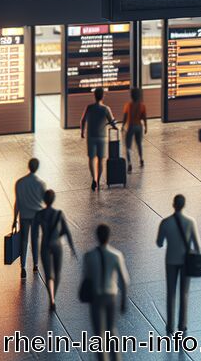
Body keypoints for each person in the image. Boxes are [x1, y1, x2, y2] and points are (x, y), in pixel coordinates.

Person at [82, 224, 129, 361]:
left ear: (96, 236)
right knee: (111, 329)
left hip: (96, 298)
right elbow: (124, 281)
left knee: (99, 335)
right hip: (111, 297)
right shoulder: (116, 255)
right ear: (109, 237)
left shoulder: (89, 256)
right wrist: (123, 302)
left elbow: (87, 277)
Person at [156, 194, 201, 334]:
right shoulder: (190, 221)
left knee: (171, 293)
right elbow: (198, 245)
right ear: (184, 205)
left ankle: (170, 326)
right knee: (184, 292)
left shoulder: (165, 222)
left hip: (170, 260)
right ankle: (183, 325)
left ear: (173, 204)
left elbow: (159, 243)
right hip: (186, 261)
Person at [34, 189, 76, 310]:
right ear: (53, 200)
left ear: (44, 200)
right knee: (57, 273)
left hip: (45, 245)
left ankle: (51, 297)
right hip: (57, 245)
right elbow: (67, 231)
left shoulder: (39, 214)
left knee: (48, 274)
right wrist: (72, 248)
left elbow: (35, 234)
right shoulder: (59, 213)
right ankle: (54, 298)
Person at [12, 158, 46, 279]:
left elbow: (17, 203)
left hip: (24, 215)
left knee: (24, 240)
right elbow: (44, 201)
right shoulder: (41, 184)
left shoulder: (19, 183)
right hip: (36, 216)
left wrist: (14, 218)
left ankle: (23, 267)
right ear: (36, 168)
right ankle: (36, 265)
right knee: (35, 240)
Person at [80, 87, 116, 191]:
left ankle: (93, 179)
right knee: (101, 160)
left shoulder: (89, 108)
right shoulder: (106, 109)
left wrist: (82, 132)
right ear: (103, 96)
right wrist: (115, 127)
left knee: (91, 158)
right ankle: (99, 181)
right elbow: (112, 122)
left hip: (91, 136)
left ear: (94, 96)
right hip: (102, 137)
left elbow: (83, 120)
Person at [122, 88, 148, 171]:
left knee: (128, 146)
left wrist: (123, 126)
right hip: (139, 126)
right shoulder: (142, 105)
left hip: (130, 126)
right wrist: (146, 127)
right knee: (139, 144)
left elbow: (125, 118)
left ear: (131, 96)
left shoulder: (128, 105)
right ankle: (141, 159)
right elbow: (144, 117)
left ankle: (129, 163)